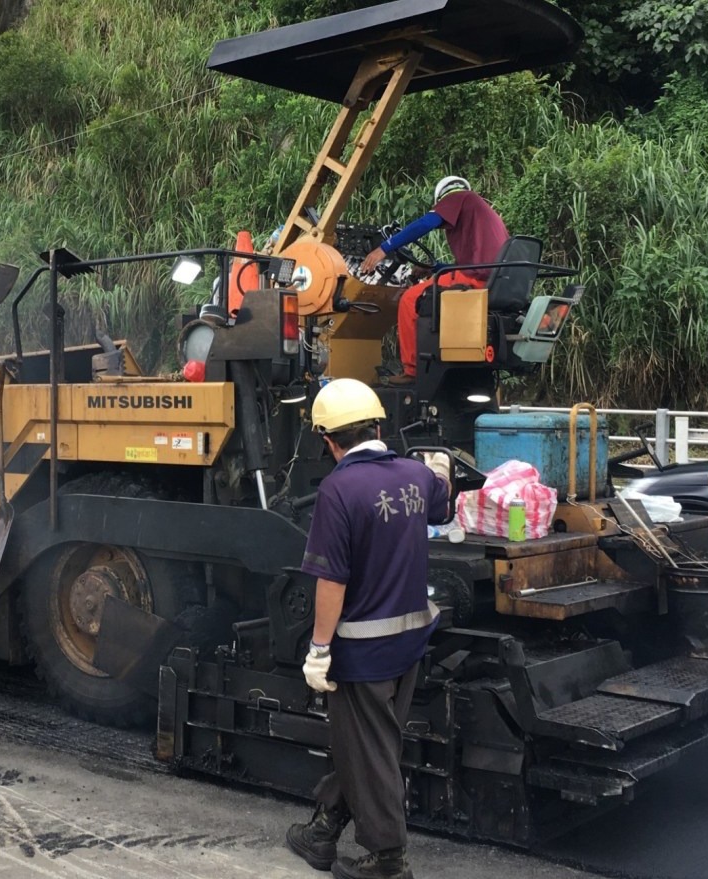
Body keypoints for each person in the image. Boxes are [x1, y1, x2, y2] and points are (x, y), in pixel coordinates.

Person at [285, 378, 452, 879]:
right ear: (380, 425)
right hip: (411, 641)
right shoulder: (414, 475)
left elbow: (331, 582)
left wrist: (318, 650)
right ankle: (324, 829)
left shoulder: (338, 489)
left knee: (369, 746)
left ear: (329, 441)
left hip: (362, 651)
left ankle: (387, 859)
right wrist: (440, 470)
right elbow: (442, 502)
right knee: (370, 744)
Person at [357, 176, 510, 385]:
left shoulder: (460, 197)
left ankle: (411, 371)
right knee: (431, 293)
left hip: (476, 278)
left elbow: (425, 223)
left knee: (410, 300)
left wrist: (383, 248)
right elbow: (471, 263)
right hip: (494, 281)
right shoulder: (483, 214)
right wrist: (433, 267)